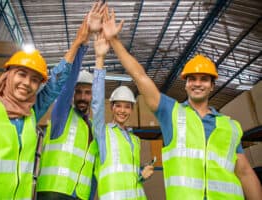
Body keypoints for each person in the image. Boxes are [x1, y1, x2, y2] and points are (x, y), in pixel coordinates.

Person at [100, 8, 262, 200]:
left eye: (204, 79)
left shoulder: (230, 126)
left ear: (212, 86)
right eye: (192, 79)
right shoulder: (172, 113)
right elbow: (140, 76)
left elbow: (244, 172)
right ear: (185, 85)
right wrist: (115, 42)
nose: (197, 83)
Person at [0, 22, 90, 199]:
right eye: (21, 74)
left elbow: (55, 85)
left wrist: (78, 44)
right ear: (8, 76)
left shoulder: (30, 115)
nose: (27, 84)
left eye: (35, 80)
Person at [36, 2, 106, 200]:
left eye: (87, 92)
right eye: (79, 92)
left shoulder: (93, 127)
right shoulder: (62, 115)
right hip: (53, 193)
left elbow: (92, 169)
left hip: (81, 196)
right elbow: (66, 85)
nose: (83, 97)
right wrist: (83, 44)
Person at [92, 32, 154, 200]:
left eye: (127, 107)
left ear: (132, 109)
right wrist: (100, 58)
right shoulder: (102, 132)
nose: (122, 110)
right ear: (111, 107)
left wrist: (142, 174)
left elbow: (130, 175)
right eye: (118, 105)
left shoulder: (135, 140)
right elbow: (96, 102)